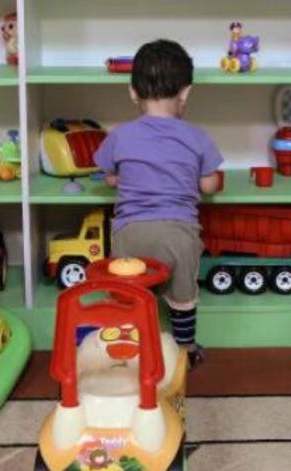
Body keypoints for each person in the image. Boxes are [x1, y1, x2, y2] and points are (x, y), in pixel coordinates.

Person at [94, 39, 223, 367]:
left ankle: (126, 353)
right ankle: (185, 350)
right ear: (186, 93)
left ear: (132, 93)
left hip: (130, 232)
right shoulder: (196, 136)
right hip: (178, 234)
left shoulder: (120, 136)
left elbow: (108, 176)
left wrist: (124, 178)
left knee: (129, 297)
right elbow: (209, 184)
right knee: (183, 298)